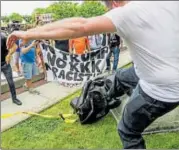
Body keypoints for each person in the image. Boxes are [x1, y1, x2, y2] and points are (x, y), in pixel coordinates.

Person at [6, 1, 179, 149]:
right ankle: (106, 100)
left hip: (161, 90)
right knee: (119, 76)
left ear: (115, 4)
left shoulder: (127, 12)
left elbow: (79, 26)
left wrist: (28, 33)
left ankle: (131, 106)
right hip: (161, 74)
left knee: (127, 130)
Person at [1, 33, 22, 105]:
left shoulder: (3, 37)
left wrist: (9, 55)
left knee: (11, 82)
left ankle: (14, 98)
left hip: (5, 64)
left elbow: (15, 46)